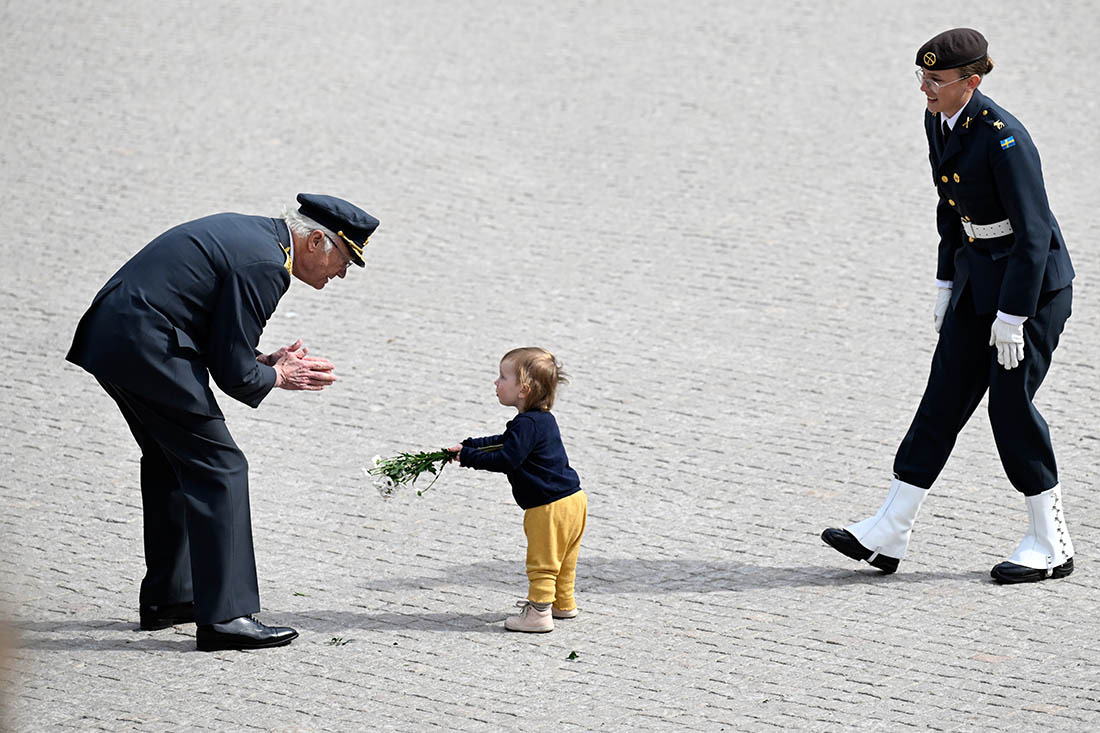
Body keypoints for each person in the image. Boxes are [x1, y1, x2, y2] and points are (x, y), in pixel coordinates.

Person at [66, 193, 379, 650]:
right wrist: (279, 375)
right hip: (148, 346)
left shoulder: (256, 238)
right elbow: (234, 374)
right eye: (345, 260)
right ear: (315, 241)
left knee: (173, 462)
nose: (342, 274)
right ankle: (227, 618)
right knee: (222, 467)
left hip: (118, 335)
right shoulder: (268, 266)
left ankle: (171, 597)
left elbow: (221, 339)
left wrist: (263, 361)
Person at [821, 28, 1075, 584]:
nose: (925, 89)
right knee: (941, 400)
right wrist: (944, 282)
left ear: (972, 81)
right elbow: (950, 205)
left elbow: (1034, 235)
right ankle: (890, 529)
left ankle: (1051, 541)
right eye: (922, 77)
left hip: (1031, 291)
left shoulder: (1005, 139)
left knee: (1009, 407)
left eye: (935, 80)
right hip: (975, 277)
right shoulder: (939, 119)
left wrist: (1013, 316)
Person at [449, 348, 587, 633]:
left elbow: (507, 458)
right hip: (574, 500)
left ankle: (538, 613)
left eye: (503, 377)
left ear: (523, 389)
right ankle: (563, 603)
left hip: (548, 507)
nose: (496, 382)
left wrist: (469, 458)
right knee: (564, 559)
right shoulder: (542, 419)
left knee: (543, 561)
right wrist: (470, 446)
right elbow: (506, 441)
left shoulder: (526, 424)